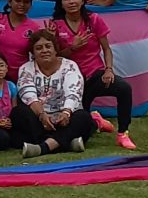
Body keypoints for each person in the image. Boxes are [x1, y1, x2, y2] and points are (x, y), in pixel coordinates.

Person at [50, 0, 137, 150]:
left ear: (83, 0)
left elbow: (106, 49)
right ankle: (95, 120)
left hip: (95, 74)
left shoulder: (93, 19)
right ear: (61, 3)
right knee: (81, 124)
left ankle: (123, 134)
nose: (71, 1)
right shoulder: (55, 25)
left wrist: (108, 69)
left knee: (124, 88)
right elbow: (55, 57)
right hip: (72, 81)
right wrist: (73, 48)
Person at [13, 29, 94, 158]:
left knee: (84, 118)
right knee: (18, 113)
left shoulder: (70, 66)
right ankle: (65, 142)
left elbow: (73, 92)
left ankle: (43, 147)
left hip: (64, 118)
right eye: (39, 48)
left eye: (48, 46)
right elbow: (28, 95)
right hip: (39, 118)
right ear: (33, 53)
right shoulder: (26, 68)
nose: (44, 50)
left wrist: (66, 113)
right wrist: (42, 115)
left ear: (55, 49)